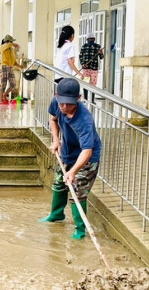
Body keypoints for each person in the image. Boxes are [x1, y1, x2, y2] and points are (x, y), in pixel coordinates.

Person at [39, 78, 101, 240]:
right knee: (59, 182)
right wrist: (56, 139)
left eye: (69, 104)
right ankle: (56, 215)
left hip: (87, 158)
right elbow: (53, 119)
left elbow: (87, 151)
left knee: (77, 190)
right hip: (67, 151)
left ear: (78, 98)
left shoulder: (84, 119)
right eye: (62, 103)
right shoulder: (56, 102)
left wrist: (73, 171)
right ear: (56, 96)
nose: (64, 107)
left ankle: (80, 230)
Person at [79, 33, 104, 102]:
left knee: (93, 84)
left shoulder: (98, 46)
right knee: (86, 83)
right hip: (86, 69)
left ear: (94, 39)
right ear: (87, 40)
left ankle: (92, 100)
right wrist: (82, 64)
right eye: (89, 39)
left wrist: (101, 53)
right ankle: (85, 99)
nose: (91, 40)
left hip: (94, 68)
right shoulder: (84, 46)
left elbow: (101, 57)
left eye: (92, 39)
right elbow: (80, 56)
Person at [0, 34, 23, 104]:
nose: (11, 43)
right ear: (7, 41)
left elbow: (13, 61)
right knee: (3, 84)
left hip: (10, 67)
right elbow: (8, 45)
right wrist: (13, 44)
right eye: (10, 41)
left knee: (13, 84)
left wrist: (19, 65)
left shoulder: (11, 50)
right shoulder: (2, 47)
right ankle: (0, 100)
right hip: (4, 67)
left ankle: (4, 95)